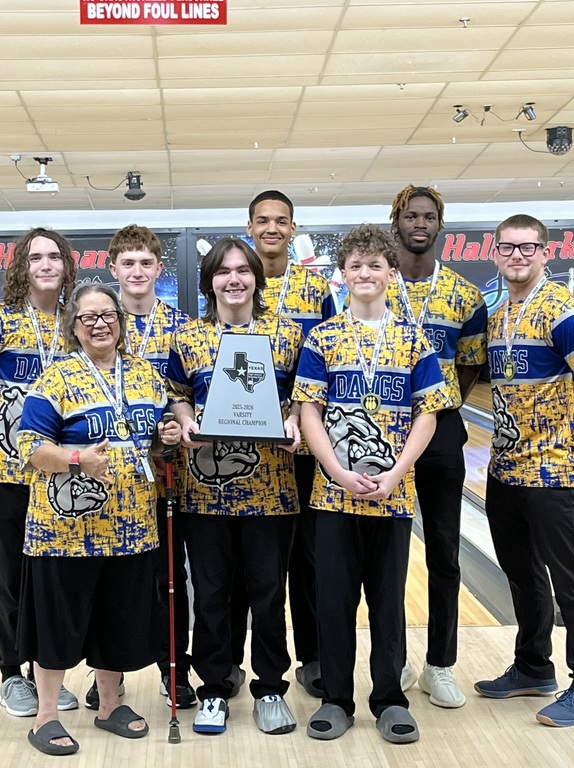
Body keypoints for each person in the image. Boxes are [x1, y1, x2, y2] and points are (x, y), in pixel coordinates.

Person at [294, 223, 450, 744]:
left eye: (374, 266)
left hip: (394, 494)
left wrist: (398, 472)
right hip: (333, 495)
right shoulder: (324, 337)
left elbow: (428, 414)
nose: (365, 273)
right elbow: (309, 411)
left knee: (388, 602)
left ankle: (388, 698)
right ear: (342, 275)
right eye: (355, 266)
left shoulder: (413, 339)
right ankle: (337, 697)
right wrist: (336, 472)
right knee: (333, 598)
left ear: (390, 273)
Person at [15, 283, 181, 755]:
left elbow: (158, 438)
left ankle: (110, 705)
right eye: (88, 318)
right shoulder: (57, 378)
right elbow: (29, 448)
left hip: (131, 529)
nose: (100, 324)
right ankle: (45, 716)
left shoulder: (147, 376)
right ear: (74, 328)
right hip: (65, 533)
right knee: (58, 624)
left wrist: (166, 432)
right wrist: (75, 458)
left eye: (107, 315)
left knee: (117, 621)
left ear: (120, 322)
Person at [475, 213, 574, 728]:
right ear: (495, 252)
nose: (517, 255)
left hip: (556, 470)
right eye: (508, 247)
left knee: (571, 578)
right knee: (522, 573)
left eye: (527, 247)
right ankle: (534, 666)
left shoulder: (564, 311)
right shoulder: (498, 313)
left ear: (545, 253)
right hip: (507, 467)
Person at [166, 237, 303, 736]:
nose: (234, 279)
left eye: (243, 270)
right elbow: (177, 395)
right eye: (223, 271)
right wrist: (185, 420)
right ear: (210, 282)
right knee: (214, 594)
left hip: (272, 492)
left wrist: (292, 422)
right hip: (204, 493)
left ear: (256, 278)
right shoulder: (188, 339)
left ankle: (270, 688)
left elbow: (302, 399)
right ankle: (215, 689)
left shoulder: (286, 335)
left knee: (269, 594)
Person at [0, 227, 79, 718]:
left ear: (67, 265)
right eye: (37, 258)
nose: (47, 265)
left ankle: (46, 673)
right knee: (11, 578)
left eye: (55, 256)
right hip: (9, 475)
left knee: (52, 580)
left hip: (59, 476)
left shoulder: (78, 321)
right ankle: (12, 673)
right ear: (22, 266)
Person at [386, 185, 488, 707]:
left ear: (440, 225)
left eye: (428, 216)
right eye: (410, 215)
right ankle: (397, 659)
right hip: (378, 428)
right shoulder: (374, 286)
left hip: (441, 430)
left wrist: (440, 406)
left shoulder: (464, 295)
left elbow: (470, 362)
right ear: (395, 222)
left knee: (445, 552)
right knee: (391, 554)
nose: (419, 223)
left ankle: (440, 664)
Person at [244, 190, 337, 698]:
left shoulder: (315, 288)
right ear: (249, 226)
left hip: (303, 443)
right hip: (248, 446)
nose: (272, 228)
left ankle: (315, 656)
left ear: (293, 228)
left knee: (309, 557)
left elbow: (325, 359)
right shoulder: (235, 280)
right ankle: (245, 661)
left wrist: (305, 420)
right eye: (263, 220)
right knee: (252, 563)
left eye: (281, 221)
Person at [107, 224, 195, 711]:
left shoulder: (182, 326)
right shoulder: (97, 321)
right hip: (113, 478)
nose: (137, 271)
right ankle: (110, 674)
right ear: (113, 267)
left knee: (171, 577)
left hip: (172, 475)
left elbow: (189, 394)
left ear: (159, 269)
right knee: (116, 576)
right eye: (128, 263)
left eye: (146, 263)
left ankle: (172, 667)